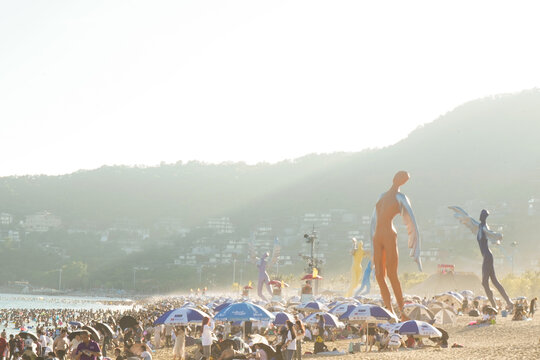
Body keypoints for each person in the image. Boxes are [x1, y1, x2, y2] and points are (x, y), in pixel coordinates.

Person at [371, 171, 421, 317]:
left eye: (405, 180)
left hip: (388, 234)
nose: (402, 181)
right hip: (377, 236)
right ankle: (389, 310)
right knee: (379, 275)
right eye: (401, 177)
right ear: (395, 177)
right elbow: (374, 219)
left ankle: (401, 310)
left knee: (392, 274)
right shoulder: (382, 196)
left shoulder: (401, 197)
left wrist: (415, 245)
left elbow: (411, 219)